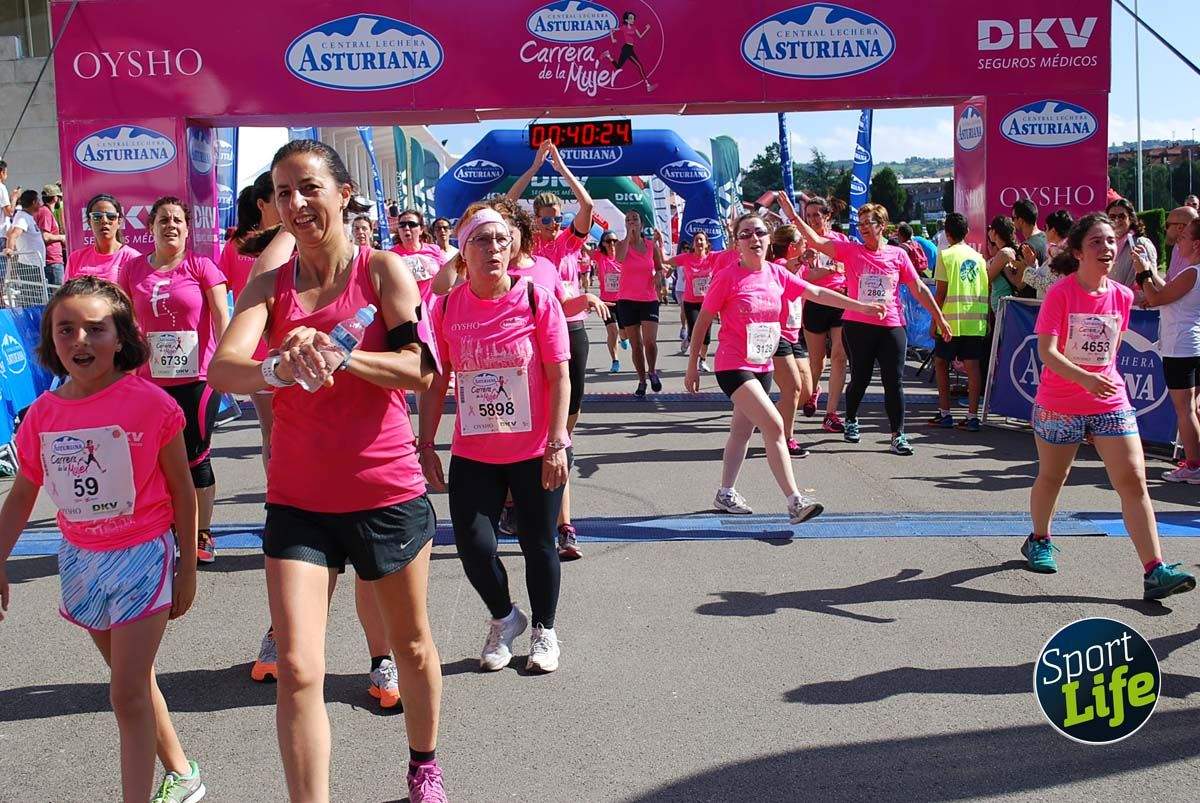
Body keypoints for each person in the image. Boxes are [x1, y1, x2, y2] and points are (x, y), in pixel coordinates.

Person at [209, 138, 447, 802]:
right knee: (296, 667)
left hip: (385, 491)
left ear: (343, 193)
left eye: (309, 187)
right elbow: (222, 367)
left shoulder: (382, 272)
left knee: (414, 647)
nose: (296, 202)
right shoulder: (270, 284)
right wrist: (278, 367)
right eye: (283, 192)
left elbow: (423, 370)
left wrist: (343, 357)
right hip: (299, 498)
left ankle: (424, 764)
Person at [0, 277, 206, 803]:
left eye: (96, 328)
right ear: (49, 340)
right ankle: (183, 774)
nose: (80, 341)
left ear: (122, 338)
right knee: (133, 684)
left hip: (143, 555)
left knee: (125, 693)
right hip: (81, 560)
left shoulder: (152, 404)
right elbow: (23, 495)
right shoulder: (42, 415)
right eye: (66, 330)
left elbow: (183, 489)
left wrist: (186, 567)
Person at [417, 203, 572, 674]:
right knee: (474, 545)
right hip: (475, 450)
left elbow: (559, 375)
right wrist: (426, 445)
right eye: (482, 240)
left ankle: (545, 629)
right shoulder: (445, 307)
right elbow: (436, 380)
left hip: (534, 449)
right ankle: (505, 618)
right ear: (463, 252)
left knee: (538, 542)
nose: (494, 249)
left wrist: (557, 442)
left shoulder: (536, 300)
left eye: (503, 240)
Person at [1024, 213, 1195, 601]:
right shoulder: (1061, 293)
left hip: (1109, 399)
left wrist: (1098, 380)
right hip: (1060, 402)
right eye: (1096, 243)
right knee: (1053, 477)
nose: (1106, 248)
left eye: (1110, 241)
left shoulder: (1122, 295)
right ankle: (1039, 538)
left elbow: (1113, 350)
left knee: (1133, 481)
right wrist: (1083, 378)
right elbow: (1047, 352)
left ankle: (1155, 570)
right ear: (1079, 252)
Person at [684, 213, 883, 520]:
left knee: (740, 432)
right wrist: (694, 364)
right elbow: (703, 321)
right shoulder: (728, 276)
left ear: (769, 238)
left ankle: (725, 494)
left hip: (762, 364)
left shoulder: (776, 275)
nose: (754, 239)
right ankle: (795, 500)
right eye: (746, 234)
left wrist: (862, 306)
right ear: (736, 243)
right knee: (775, 426)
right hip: (733, 363)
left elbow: (816, 292)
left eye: (760, 233)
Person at [791, 202, 950, 454]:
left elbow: (918, 287)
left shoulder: (897, 255)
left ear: (882, 226)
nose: (863, 228)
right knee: (861, 378)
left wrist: (939, 317)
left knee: (893, 381)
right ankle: (852, 418)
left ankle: (898, 434)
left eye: (869, 223)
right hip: (858, 325)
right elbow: (818, 242)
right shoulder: (851, 251)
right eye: (861, 223)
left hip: (892, 325)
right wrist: (792, 215)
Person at [121, 198, 229, 566]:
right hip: (150, 381)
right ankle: (167, 527)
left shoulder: (201, 266)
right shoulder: (134, 269)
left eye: (178, 220)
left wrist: (228, 362)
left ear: (187, 228)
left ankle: (200, 533)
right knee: (156, 459)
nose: (171, 225)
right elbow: (124, 321)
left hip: (197, 378)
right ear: (150, 227)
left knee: (196, 456)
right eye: (163, 220)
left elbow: (221, 317)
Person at [507, 142, 596, 559]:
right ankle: (547, 519)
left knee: (562, 435)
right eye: (546, 219)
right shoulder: (523, 252)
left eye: (557, 219)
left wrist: (560, 167)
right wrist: (532, 168)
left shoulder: (566, 246)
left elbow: (589, 205)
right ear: (532, 222)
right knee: (526, 427)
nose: (553, 225)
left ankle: (562, 523)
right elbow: (504, 206)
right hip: (527, 340)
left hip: (570, 334)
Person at [1136, 217, 1200, 483]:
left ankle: (1194, 465)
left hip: (1181, 346)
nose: (1178, 241)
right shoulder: (1191, 272)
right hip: (1187, 344)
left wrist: (1142, 273)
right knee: (1191, 410)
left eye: (1183, 238)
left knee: (1184, 410)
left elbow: (1156, 298)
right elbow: (1167, 292)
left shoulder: (1193, 271)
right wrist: (1150, 270)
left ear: (1196, 244)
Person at [780, 194, 850, 433]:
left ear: (827, 216)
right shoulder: (805, 244)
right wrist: (830, 269)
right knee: (816, 360)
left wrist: (836, 272)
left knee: (840, 357)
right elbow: (805, 278)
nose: (812, 220)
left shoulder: (839, 240)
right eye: (808, 216)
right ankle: (814, 390)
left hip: (839, 300)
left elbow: (847, 270)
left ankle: (831, 414)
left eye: (816, 215)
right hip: (814, 303)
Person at [929, 213, 988, 431]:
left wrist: (935, 321)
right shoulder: (979, 258)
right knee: (973, 368)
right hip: (974, 322)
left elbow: (941, 292)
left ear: (947, 233)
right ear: (966, 233)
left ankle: (945, 413)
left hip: (950, 321)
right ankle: (973, 417)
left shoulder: (945, 256)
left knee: (941, 363)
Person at [767, 225, 815, 456]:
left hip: (795, 334)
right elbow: (791, 265)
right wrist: (804, 258)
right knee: (793, 389)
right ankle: (787, 439)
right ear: (792, 246)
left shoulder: (799, 269)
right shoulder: (779, 265)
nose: (806, 244)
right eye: (802, 242)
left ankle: (767, 419)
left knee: (806, 392)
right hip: (778, 335)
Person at [615, 209, 668, 396]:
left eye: (634, 219)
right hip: (627, 300)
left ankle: (652, 371)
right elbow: (619, 259)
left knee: (649, 342)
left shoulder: (651, 245)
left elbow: (660, 267)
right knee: (636, 344)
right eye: (628, 219)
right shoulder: (621, 245)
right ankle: (641, 380)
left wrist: (659, 277)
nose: (631, 221)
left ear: (641, 223)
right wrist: (629, 235)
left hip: (648, 298)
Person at [65, 193, 142, 284]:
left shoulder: (133, 258)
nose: (104, 221)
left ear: (119, 221)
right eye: (97, 217)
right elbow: (66, 295)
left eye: (111, 216)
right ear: (89, 222)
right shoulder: (76, 258)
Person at [667, 232, 715, 373]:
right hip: (691, 302)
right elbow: (666, 260)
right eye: (696, 240)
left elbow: (731, 252)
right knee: (695, 331)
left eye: (702, 240)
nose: (699, 242)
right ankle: (690, 344)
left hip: (708, 302)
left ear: (706, 244)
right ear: (693, 244)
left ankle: (703, 360)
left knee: (706, 334)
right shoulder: (686, 258)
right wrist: (659, 243)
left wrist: (731, 234)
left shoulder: (712, 258)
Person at [1019, 210, 1074, 299]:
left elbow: (1049, 286)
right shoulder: (1061, 251)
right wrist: (1032, 264)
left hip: (1054, 307)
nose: (1045, 232)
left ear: (1053, 230)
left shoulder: (1058, 255)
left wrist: (1027, 271)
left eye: (1046, 228)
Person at [1106, 197, 1157, 289]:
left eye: (1122, 216)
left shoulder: (1141, 243)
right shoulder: (1107, 244)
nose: (1116, 220)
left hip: (1133, 301)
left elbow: (1152, 280)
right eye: (1112, 217)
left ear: (1131, 218)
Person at [594, 232, 627, 373]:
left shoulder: (623, 256)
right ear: (603, 243)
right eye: (608, 241)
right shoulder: (599, 256)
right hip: (607, 302)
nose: (612, 244)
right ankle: (615, 360)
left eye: (614, 240)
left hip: (624, 300)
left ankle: (624, 337)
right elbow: (580, 244)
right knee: (612, 331)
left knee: (623, 331)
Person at [3, 190, 47, 290]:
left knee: (36, 295)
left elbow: (9, 233)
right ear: (33, 202)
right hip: (30, 266)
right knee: (35, 296)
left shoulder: (24, 216)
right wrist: (9, 249)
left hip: (34, 265)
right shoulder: (23, 217)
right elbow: (13, 234)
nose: (40, 203)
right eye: (38, 200)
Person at [603, 11, 656, 92]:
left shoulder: (634, 27)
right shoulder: (624, 27)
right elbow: (612, 29)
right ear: (626, 20)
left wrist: (647, 29)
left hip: (630, 48)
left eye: (633, 18)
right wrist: (612, 39)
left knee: (618, 66)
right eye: (630, 18)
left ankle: (608, 55)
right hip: (626, 48)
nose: (633, 19)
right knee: (639, 65)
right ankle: (648, 85)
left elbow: (640, 36)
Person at [35, 183, 67, 286]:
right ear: (55, 198)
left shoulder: (44, 211)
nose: (60, 200)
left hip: (52, 259)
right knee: (57, 295)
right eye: (59, 197)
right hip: (52, 260)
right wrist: (62, 237)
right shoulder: (45, 212)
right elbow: (46, 236)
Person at [1164, 206, 1199, 278]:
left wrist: (1149, 271)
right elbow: (1169, 279)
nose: (1165, 229)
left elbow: (1173, 288)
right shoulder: (1176, 247)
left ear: (1179, 227)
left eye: (1167, 225)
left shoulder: (1195, 254)